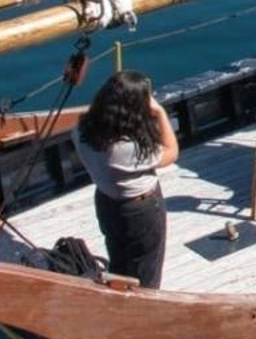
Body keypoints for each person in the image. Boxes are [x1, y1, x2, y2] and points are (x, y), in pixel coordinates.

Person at [74, 70, 179, 289]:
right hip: (140, 211)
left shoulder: (81, 132)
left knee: (119, 262)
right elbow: (171, 152)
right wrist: (159, 112)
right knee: (146, 271)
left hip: (106, 202)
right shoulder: (125, 149)